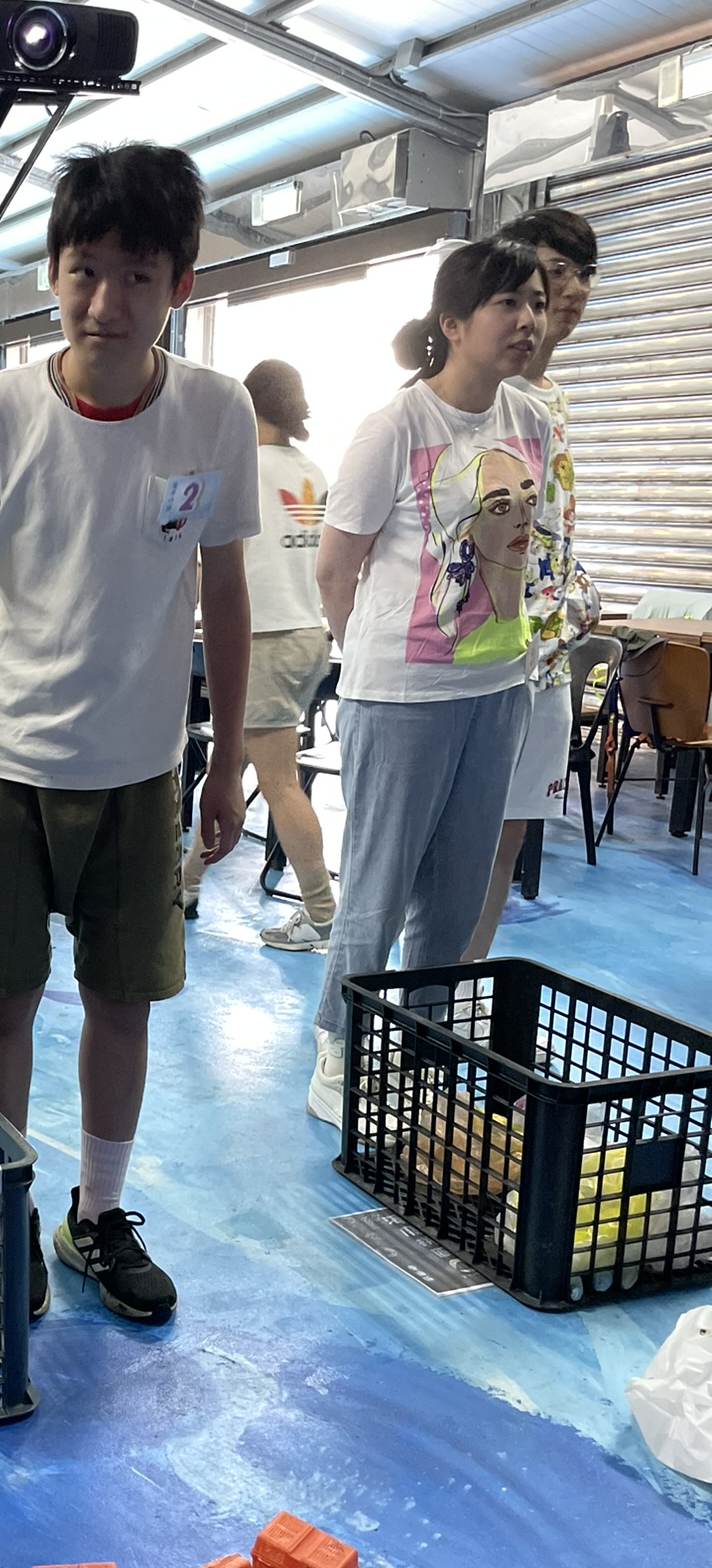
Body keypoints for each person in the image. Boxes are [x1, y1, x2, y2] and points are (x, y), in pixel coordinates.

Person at [0, 143, 258, 1325]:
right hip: (3, 759)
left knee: (122, 1002)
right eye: (85, 269)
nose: (106, 301)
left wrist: (228, 757)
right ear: (50, 273)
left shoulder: (215, 411)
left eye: (138, 275)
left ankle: (96, 1215)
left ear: (180, 286)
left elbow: (225, 592)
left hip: (141, 769)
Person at [308, 237, 555, 1125]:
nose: (528, 320)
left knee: (454, 901)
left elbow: (533, 546)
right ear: (452, 323)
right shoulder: (396, 426)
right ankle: (340, 1047)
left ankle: (420, 1052)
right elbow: (335, 568)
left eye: (535, 302)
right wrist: (375, 661)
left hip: (498, 688)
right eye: (507, 304)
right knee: (377, 890)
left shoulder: (531, 418)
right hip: (401, 695)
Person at [464, 205, 602, 960]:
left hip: (544, 654)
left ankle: (454, 992)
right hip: (477, 654)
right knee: (450, 834)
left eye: (584, 274)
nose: (572, 290)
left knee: (507, 833)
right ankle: (404, 998)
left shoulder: (552, 397)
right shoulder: (476, 396)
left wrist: (574, 591)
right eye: (555, 273)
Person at [182, 359, 335, 949]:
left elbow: (217, 559)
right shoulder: (311, 471)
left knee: (278, 781)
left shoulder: (244, 468)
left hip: (266, 638)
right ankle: (186, 884)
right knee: (231, 765)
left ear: (248, 407)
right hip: (308, 634)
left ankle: (321, 913)